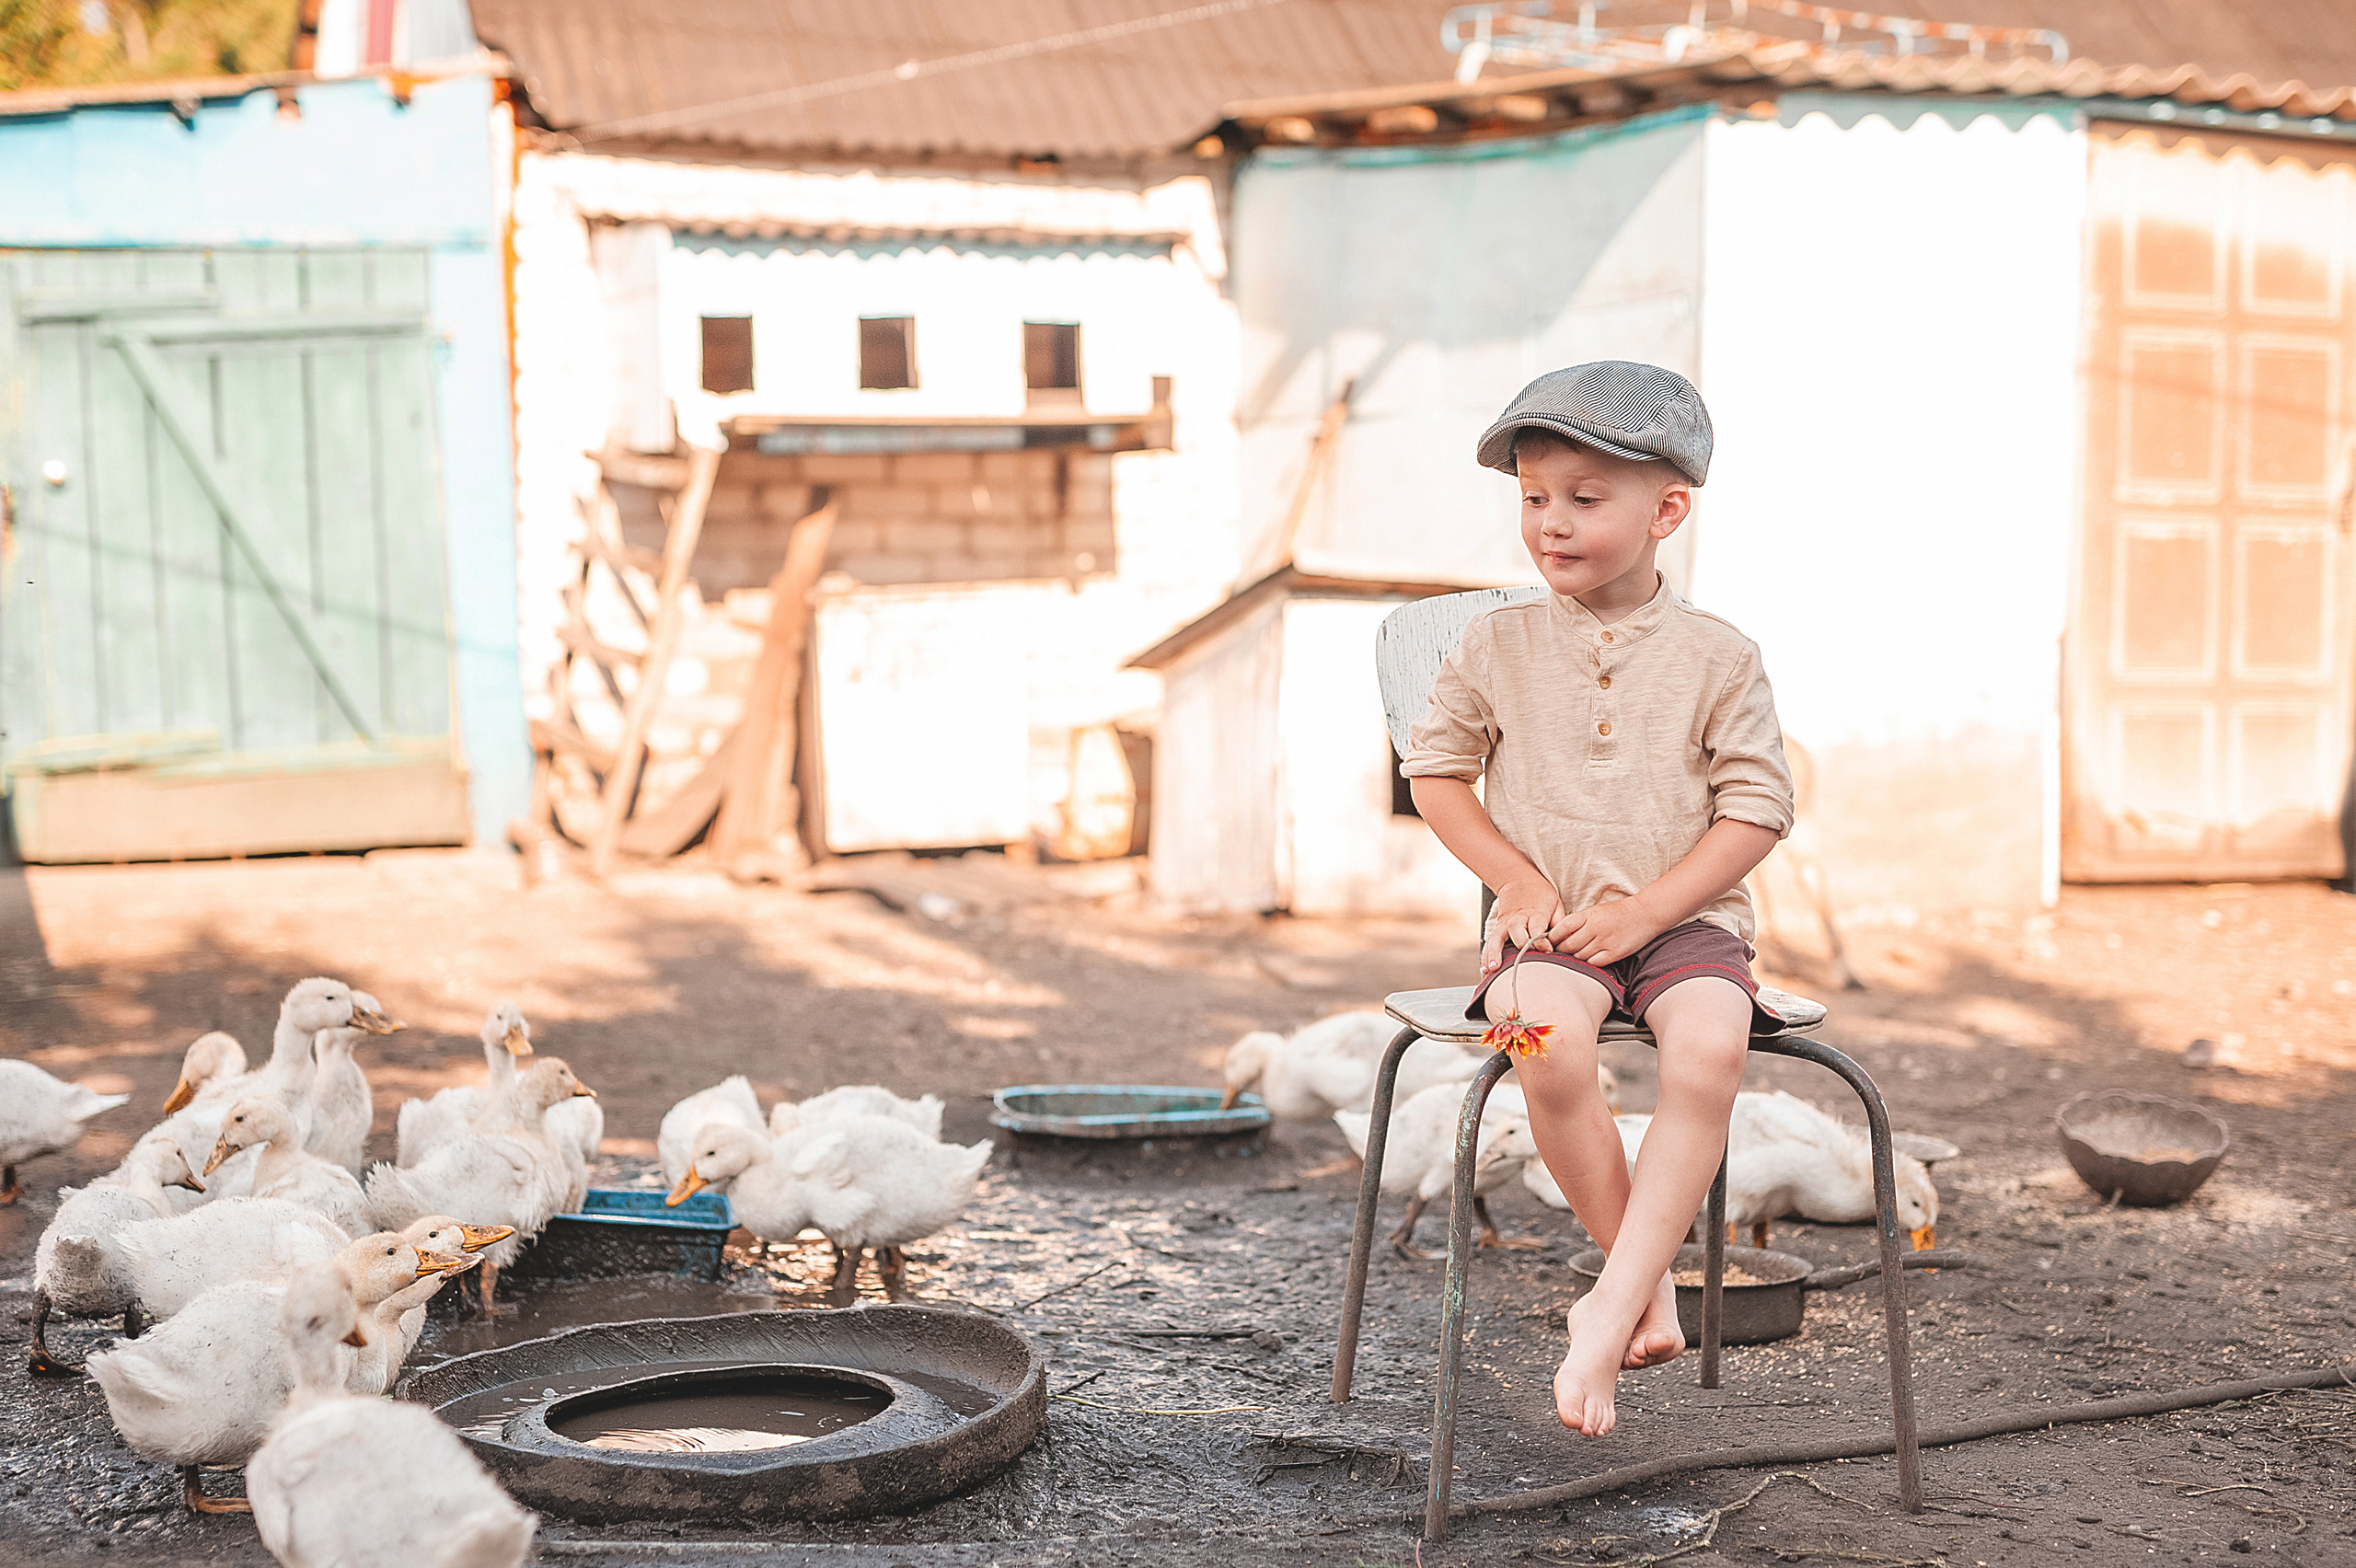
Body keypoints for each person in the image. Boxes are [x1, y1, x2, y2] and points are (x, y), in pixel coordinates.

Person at [1399, 362, 1795, 1437]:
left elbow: (1757, 809)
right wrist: (1517, 880)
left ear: (1667, 509)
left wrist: (1652, 912)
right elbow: (1434, 773)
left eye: (1583, 498)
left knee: (1709, 1048)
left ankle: (1609, 1300)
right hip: (1548, 930)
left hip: (1685, 926)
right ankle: (1647, 1286)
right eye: (1532, 498)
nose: (1549, 524)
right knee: (1541, 1039)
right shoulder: (1497, 644)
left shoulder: (1720, 656)